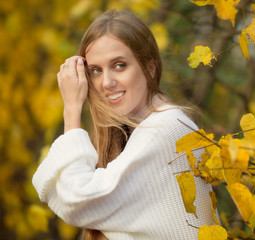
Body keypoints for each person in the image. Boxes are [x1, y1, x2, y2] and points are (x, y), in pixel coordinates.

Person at [32, 9, 213, 240]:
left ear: (150, 68)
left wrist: (72, 109)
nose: (106, 82)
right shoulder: (135, 131)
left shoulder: (166, 128)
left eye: (119, 65)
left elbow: (76, 202)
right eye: (96, 71)